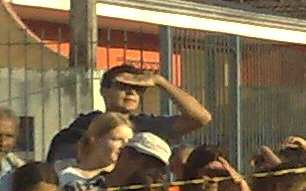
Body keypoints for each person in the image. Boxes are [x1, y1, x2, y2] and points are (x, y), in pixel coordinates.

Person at [47, 62, 212, 163]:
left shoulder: (147, 125)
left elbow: (200, 118)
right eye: (123, 86)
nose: (131, 92)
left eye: (137, 88)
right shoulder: (85, 126)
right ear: (104, 90)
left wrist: (160, 82)